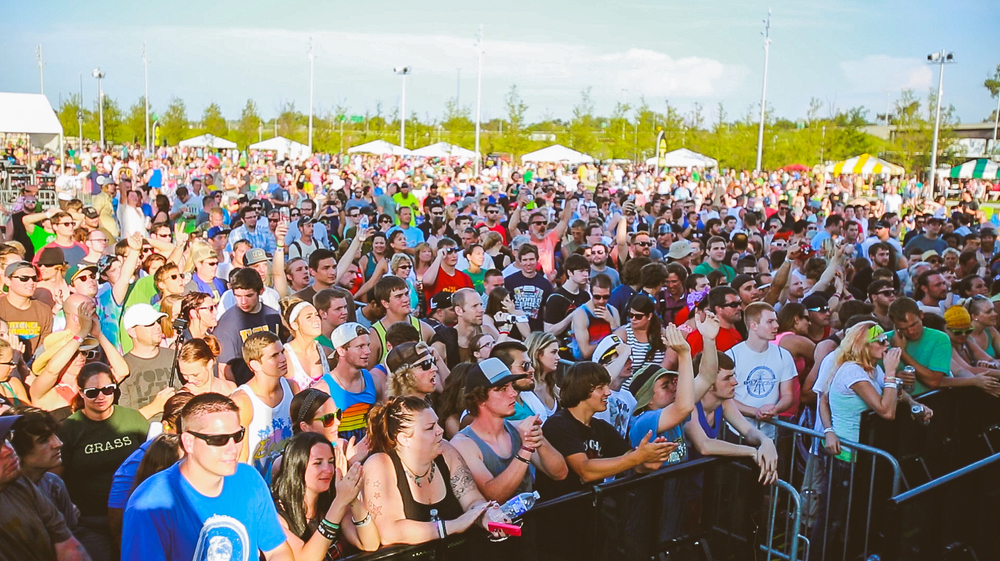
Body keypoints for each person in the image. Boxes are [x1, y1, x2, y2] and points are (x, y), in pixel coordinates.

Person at [122, 393, 294, 561]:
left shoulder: (249, 478)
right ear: (188, 442)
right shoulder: (150, 503)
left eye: (238, 436)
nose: (233, 449)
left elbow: (277, 551)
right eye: (219, 439)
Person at [360, 395, 510, 545]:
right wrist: (454, 525)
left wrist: (486, 514)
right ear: (404, 439)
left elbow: (471, 498)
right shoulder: (379, 465)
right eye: (430, 428)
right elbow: (390, 532)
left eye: (437, 424)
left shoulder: (445, 450)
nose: (440, 430)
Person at [536, 360, 677, 499]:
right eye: (600, 387)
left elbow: (634, 463)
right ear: (581, 389)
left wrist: (651, 459)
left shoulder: (602, 428)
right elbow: (585, 470)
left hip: (592, 513)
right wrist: (637, 457)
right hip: (558, 515)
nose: (608, 392)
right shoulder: (558, 425)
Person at [58, 362, 148, 560]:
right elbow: (55, 478)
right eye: (92, 392)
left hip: (132, 515)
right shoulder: (69, 429)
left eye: (107, 390)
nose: (101, 397)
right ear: (81, 393)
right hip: (89, 522)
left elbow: (151, 461)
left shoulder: (133, 418)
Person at [450, 357, 568, 503]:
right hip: (495, 525)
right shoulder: (463, 443)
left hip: (531, 522)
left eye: (512, 386)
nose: (513, 393)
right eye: (503, 389)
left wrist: (539, 439)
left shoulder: (519, 429)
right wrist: (526, 449)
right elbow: (493, 496)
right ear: (480, 398)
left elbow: (560, 473)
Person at [270, 432, 380, 560]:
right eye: (318, 463)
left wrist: (353, 499)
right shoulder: (277, 516)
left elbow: (370, 544)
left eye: (331, 462)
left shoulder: (329, 503)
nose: (328, 470)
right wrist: (338, 503)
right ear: (297, 466)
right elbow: (305, 558)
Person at [0, 414, 92, 561]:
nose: (8, 450)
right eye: (43, 440)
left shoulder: (23, 486)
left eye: (5, 440)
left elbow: (68, 546)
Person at [683, 351, 779, 484]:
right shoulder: (690, 405)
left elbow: (748, 431)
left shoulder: (724, 402)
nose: (735, 382)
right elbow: (704, 445)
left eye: (733, 376)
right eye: (727, 378)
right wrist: (752, 452)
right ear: (708, 383)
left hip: (699, 476)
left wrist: (766, 441)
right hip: (679, 478)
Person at [725, 302, 797, 439]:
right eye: (770, 322)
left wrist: (774, 410)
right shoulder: (732, 356)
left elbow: (788, 395)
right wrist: (755, 411)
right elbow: (725, 398)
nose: (776, 326)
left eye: (776, 321)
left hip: (770, 433)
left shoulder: (784, 355)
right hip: (736, 432)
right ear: (754, 325)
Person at [232, 331, 299, 477]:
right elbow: (240, 460)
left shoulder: (292, 388)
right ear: (255, 364)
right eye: (274, 356)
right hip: (257, 484)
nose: (283, 358)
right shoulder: (243, 401)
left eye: (282, 352)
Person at [5, 407, 79, 532]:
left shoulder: (55, 485)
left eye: (54, 435)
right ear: (17, 449)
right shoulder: (6, 495)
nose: (58, 443)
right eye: (43, 440)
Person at [314, 323, 385, 443]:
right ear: (341, 350)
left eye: (368, 345)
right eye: (360, 346)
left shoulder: (373, 380)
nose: (367, 351)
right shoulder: (323, 389)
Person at [215, 267, 283, 385]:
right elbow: (224, 369)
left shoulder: (273, 316)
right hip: (244, 386)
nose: (243, 302)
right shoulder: (227, 323)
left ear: (261, 291)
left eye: (249, 296)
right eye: (238, 296)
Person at [121, 304, 181, 421]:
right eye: (150, 324)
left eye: (158, 321)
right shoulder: (122, 367)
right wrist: (155, 407)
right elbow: (124, 420)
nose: (158, 327)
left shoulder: (175, 356)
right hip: (144, 434)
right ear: (132, 332)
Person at [0, 260, 53, 356]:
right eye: (24, 278)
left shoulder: (44, 310)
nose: (31, 282)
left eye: (34, 278)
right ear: (8, 280)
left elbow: (44, 347)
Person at [613, 293, 667, 383]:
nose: (633, 319)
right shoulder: (623, 333)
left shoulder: (662, 333)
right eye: (630, 315)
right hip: (628, 388)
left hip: (653, 386)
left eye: (638, 316)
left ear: (649, 316)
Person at [281, 298, 333, 390]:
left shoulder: (326, 352)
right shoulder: (285, 356)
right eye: (309, 317)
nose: (316, 320)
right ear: (294, 325)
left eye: (316, 315)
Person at [503, 245, 554, 332]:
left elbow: (547, 312)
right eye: (525, 260)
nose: (528, 263)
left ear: (537, 260)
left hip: (537, 331)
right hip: (514, 330)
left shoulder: (545, 284)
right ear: (520, 261)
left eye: (531, 259)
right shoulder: (509, 281)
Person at [569, 274, 620, 360]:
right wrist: (608, 344)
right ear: (591, 293)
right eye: (597, 297)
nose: (601, 301)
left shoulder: (613, 311)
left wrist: (612, 322)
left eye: (605, 297)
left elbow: (620, 342)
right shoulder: (581, 314)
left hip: (609, 363)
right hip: (585, 365)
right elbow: (585, 352)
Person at [430, 288, 483, 370]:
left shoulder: (487, 332)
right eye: (474, 306)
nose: (481, 310)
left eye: (481, 305)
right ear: (459, 311)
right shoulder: (443, 341)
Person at [543, 254, 591, 342]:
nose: (585, 274)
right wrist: (571, 316)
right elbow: (548, 331)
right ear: (569, 272)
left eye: (587, 271)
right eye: (581, 271)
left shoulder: (585, 296)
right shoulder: (555, 298)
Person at [525, 332, 560, 418]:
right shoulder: (525, 388)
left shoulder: (554, 387)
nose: (558, 357)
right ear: (537, 354)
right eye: (553, 352)